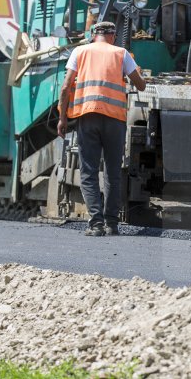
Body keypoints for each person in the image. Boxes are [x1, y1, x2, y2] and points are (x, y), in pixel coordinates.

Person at [57, 21, 147, 236]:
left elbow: (65, 86)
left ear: (92, 35)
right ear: (113, 36)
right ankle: (112, 224)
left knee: (88, 171)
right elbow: (141, 85)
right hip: (114, 120)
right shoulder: (121, 53)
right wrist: (132, 74)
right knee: (113, 172)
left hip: (87, 118)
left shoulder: (80, 52)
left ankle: (96, 224)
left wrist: (62, 118)